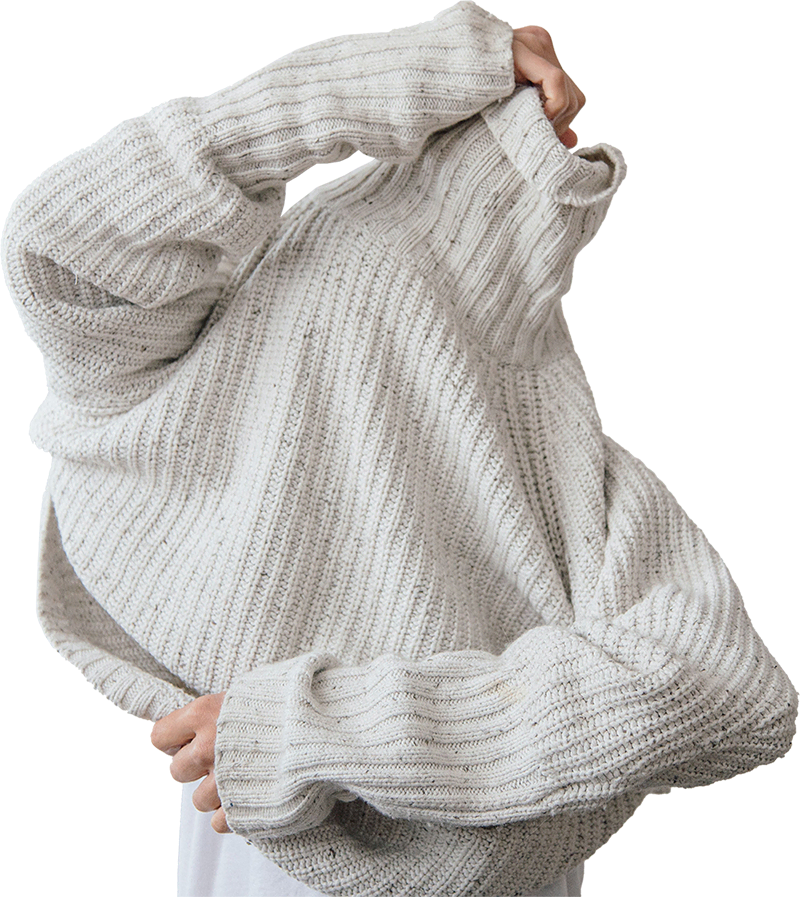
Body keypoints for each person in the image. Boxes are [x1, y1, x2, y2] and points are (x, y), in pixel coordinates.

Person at [3, 3, 797, 896]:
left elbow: (728, 688)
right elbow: (724, 687)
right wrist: (438, 68)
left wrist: (310, 729)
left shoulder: (548, 442)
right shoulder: (557, 455)